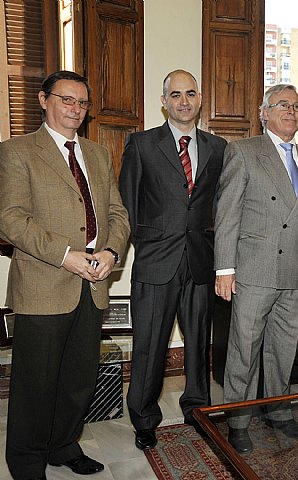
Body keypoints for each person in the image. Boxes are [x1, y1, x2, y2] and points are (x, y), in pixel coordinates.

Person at [0, 70, 130, 479]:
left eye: (82, 102)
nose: (75, 109)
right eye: (66, 99)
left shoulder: (97, 153)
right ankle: (26, 463)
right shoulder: (17, 151)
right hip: (43, 284)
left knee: (78, 380)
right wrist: (65, 255)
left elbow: (118, 213)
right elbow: (10, 219)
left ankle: (63, 446)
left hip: (93, 285)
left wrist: (111, 251)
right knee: (34, 385)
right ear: (43, 100)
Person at [118, 70, 227, 450]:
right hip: (155, 263)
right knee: (150, 346)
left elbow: (219, 207)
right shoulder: (142, 144)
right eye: (176, 94)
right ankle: (145, 420)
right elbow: (127, 206)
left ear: (200, 99)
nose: (184, 101)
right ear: (163, 101)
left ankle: (198, 411)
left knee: (199, 344)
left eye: (191, 93)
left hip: (200, 262)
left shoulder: (217, 147)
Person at [214, 84, 298, 454]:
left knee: (282, 349)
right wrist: (224, 268)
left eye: (297, 106)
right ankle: (238, 419)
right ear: (264, 113)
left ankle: (278, 411)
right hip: (253, 271)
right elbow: (227, 215)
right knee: (244, 350)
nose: (291, 111)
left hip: (293, 273)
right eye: (282, 105)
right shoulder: (243, 152)